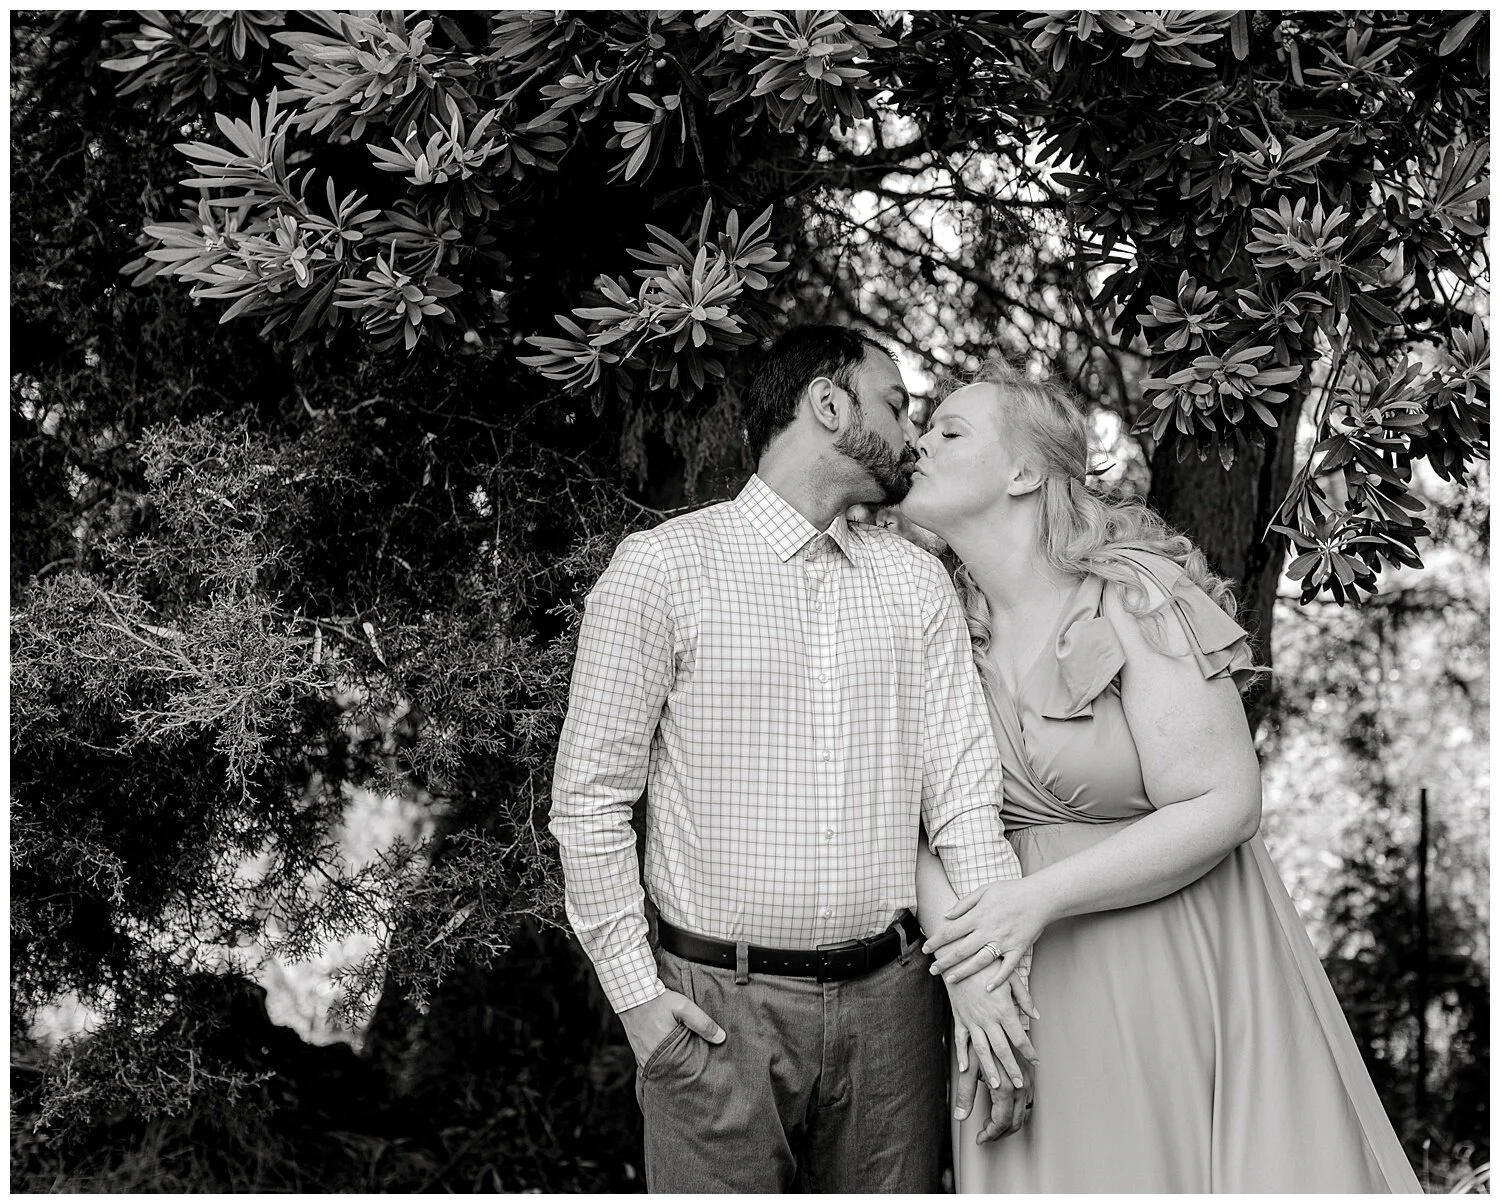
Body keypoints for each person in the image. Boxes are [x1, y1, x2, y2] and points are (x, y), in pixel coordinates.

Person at [899, 356, 1424, 1192]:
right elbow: (908, 826)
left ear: (1025, 473)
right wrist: (967, 967)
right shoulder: (932, 621)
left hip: (1168, 958)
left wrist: (1033, 902)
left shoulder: (1133, 593)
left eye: (949, 431)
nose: (918, 443)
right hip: (1011, 984)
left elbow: (1226, 802)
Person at [550, 326, 1037, 1192]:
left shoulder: (916, 582)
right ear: (828, 403)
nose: (913, 434)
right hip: (715, 1014)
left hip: (894, 1010)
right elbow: (589, 799)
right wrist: (637, 1001)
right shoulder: (663, 569)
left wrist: (994, 983)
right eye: (897, 406)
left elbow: (964, 805)